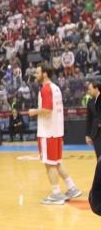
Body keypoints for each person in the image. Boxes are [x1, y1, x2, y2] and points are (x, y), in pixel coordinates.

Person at [28, 62, 82, 205]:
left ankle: (56, 194)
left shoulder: (45, 89)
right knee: (57, 162)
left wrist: (34, 112)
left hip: (48, 132)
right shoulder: (56, 88)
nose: (36, 75)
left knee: (49, 164)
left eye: (38, 72)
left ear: (45, 74)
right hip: (57, 131)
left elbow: (47, 110)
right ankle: (72, 187)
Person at [85, 81, 101, 159]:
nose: (88, 91)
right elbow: (89, 120)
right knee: (99, 157)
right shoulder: (90, 102)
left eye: (90, 89)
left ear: (96, 89)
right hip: (96, 135)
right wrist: (88, 135)